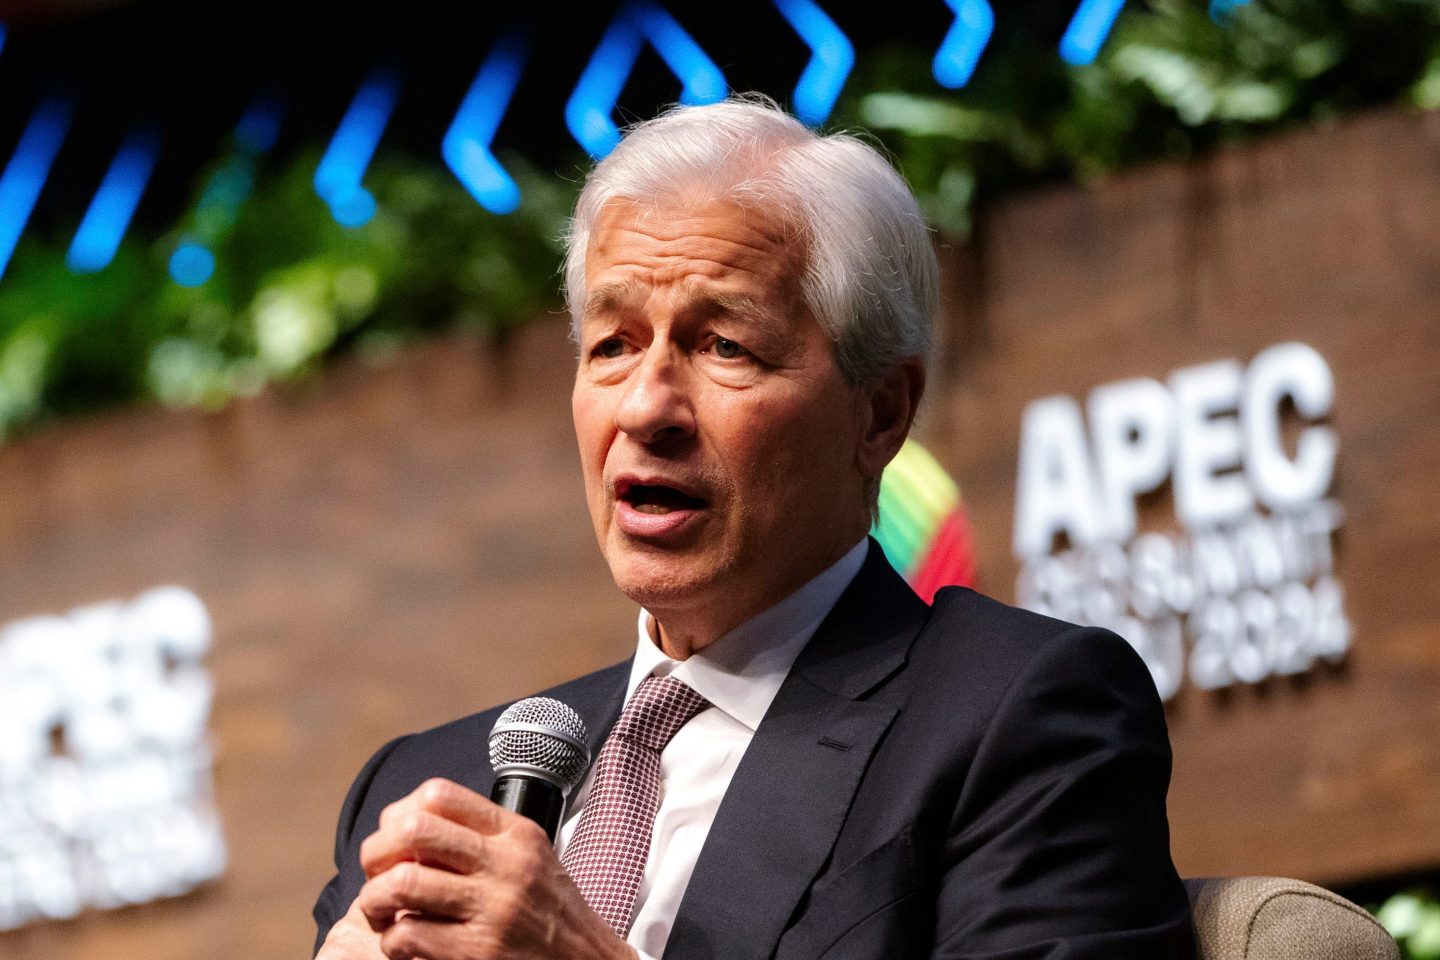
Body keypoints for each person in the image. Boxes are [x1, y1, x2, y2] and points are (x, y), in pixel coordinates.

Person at [312, 95, 1196, 960]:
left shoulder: (1017, 717)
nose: (647, 406)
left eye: (723, 347)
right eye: (613, 344)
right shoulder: (427, 793)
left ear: (880, 414)